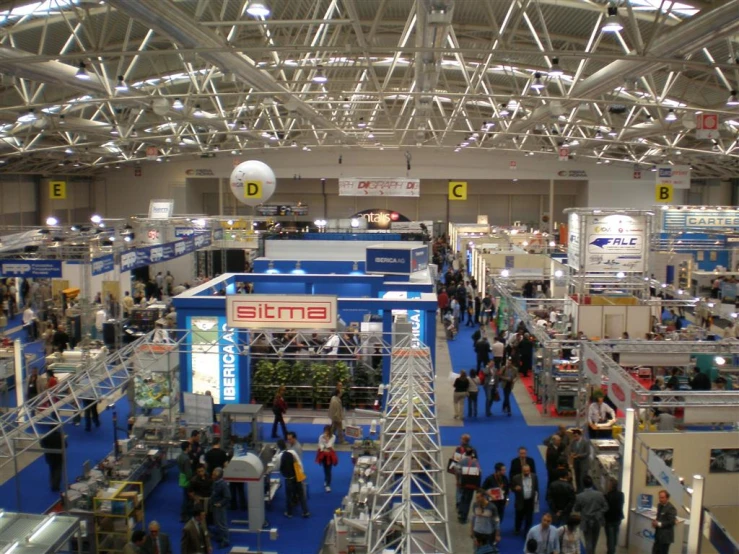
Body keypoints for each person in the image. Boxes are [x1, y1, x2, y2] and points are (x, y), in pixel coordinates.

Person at [573, 475, 608, 554]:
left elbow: (576, 509)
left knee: (588, 540)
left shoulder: (579, 496)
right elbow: (606, 507)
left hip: (586, 521)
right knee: (595, 539)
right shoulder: (599, 494)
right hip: (597, 520)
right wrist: (599, 513)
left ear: (583, 484)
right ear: (592, 483)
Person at [277, 439, 310, 518]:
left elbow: (277, 467)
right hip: (297, 477)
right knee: (301, 495)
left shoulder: (279, 456)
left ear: (278, 447)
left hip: (288, 479)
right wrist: (301, 475)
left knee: (289, 496)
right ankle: (305, 511)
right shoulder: (292, 452)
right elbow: (299, 463)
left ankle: (289, 513)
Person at [511, 464, 538, 536]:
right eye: (525, 471)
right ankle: (517, 529)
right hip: (520, 500)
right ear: (522, 471)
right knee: (519, 516)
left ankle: (527, 531)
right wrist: (515, 488)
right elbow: (512, 488)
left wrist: (536, 499)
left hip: (530, 500)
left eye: (528, 471)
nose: (526, 472)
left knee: (529, 518)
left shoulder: (534, 477)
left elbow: (536, 488)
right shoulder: (516, 478)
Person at [457, 447, 482, 524]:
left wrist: (458, 480)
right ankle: (463, 518)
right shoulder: (475, 462)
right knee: (467, 501)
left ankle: (460, 511)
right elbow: (479, 473)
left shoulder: (461, 461)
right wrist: (478, 486)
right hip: (471, 485)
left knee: (462, 497)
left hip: (462, 483)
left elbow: (456, 470)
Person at [209, 468, 230, 548]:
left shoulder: (223, 484)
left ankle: (225, 540)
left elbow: (228, 497)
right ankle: (220, 537)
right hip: (214, 506)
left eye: (214, 474)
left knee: (222, 524)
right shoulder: (215, 483)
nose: (212, 476)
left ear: (218, 476)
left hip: (220, 507)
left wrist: (220, 504)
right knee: (217, 523)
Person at [651, 490, 677, 554]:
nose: (660, 499)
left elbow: (671, 522)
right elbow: (659, 517)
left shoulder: (671, 508)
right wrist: (655, 522)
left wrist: (659, 524)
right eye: (659, 497)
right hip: (658, 535)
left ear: (667, 498)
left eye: (662, 498)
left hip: (665, 537)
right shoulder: (659, 505)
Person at [40, 428, 65, 492]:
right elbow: (65, 445)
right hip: (58, 456)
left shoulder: (46, 436)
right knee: (58, 471)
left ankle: (53, 484)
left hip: (49, 456)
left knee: (52, 470)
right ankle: (56, 486)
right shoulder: (59, 435)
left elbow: (42, 444)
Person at [604, 477, 625, 554]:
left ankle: (611, 551)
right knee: (615, 536)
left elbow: (605, 508)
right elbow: (621, 505)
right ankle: (613, 550)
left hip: (609, 519)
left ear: (610, 486)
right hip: (618, 518)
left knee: (610, 538)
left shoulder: (606, 496)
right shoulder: (621, 495)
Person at [316, 425, 337, 492]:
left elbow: (330, 445)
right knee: (325, 469)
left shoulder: (333, 437)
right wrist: (323, 447)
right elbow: (320, 445)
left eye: (327, 431)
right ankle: (326, 480)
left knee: (329, 470)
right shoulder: (321, 436)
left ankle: (328, 485)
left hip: (330, 455)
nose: (325, 432)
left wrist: (326, 440)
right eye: (325, 431)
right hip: (323, 455)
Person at [177, 441, 193, 522]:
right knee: (186, 497)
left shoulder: (180, 456)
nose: (191, 447)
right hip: (186, 479)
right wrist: (191, 479)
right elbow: (188, 471)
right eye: (190, 446)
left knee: (185, 495)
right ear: (187, 448)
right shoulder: (186, 458)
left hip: (182, 477)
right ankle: (184, 515)